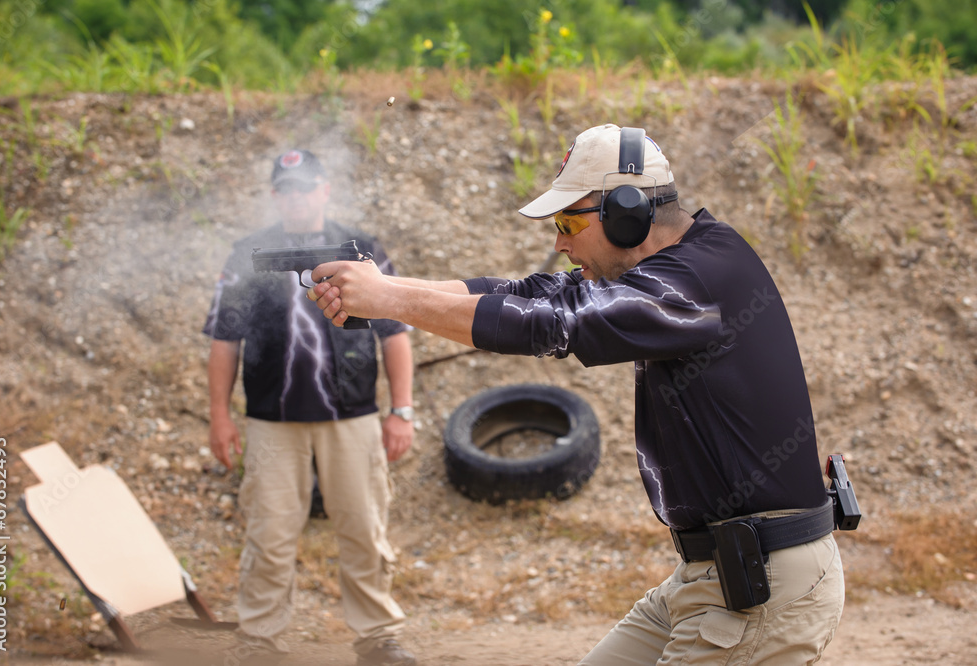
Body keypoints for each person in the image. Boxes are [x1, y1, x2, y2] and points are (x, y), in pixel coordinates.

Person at [307, 124, 845, 663]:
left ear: (626, 212)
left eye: (569, 221)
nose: (559, 242)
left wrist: (390, 300)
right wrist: (388, 289)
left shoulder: (699, 277)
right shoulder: (679, 269)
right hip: (712, 576)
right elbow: (528, 293)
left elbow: (549, 322)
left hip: (763, 584)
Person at [203, 149, 418, 666]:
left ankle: (377, 638)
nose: (296, 198)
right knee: (269, 532)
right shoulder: (248, 252)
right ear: (274, 196)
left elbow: (395, 333)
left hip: (353, 415)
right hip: (272, 419)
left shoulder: (361, 249)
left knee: (365, 529)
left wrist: (402, 410)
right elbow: (224, 340)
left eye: (305, 187)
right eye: (286, 189)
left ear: (324, 189)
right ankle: (258, 639)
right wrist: (219, 415)